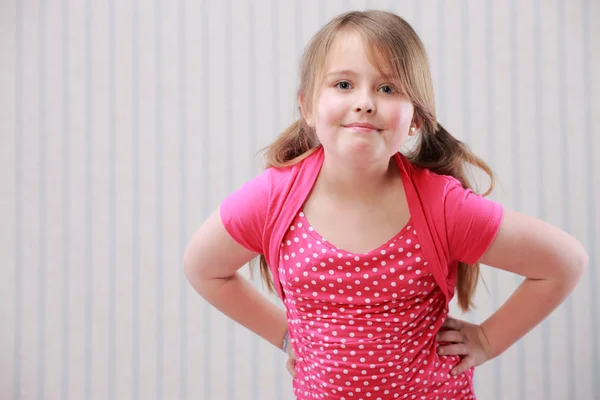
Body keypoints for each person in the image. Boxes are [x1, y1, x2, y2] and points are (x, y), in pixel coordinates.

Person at [183, 10, 588, 399]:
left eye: (388, 88)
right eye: (343, 85)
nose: (365, 102)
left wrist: (486, 339)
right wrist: (285, 334)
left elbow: (563, 263)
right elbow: (203, 269)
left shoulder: (441, 206)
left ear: (415, 119)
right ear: (306, 106)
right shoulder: (274, 199)